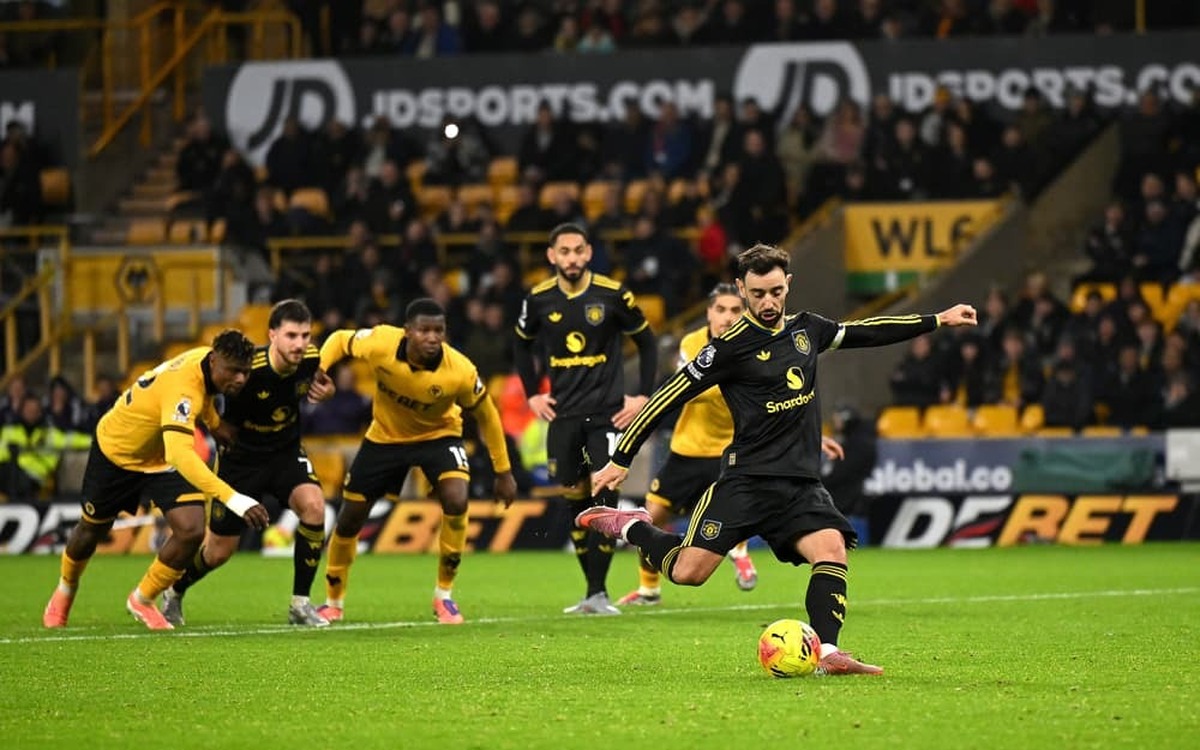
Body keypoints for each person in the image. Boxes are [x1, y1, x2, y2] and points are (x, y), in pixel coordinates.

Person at [580, 243, 977, 674]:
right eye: (757, 294)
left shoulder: (808, 330)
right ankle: (633, 525)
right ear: (741, 289)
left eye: (775, 292)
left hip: (800, 484)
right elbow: (666, 397)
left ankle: (828, 652)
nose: (768, 302)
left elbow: (866, 332)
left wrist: (937, 319)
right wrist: (621, 457)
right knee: (689, 573)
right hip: (746, 482)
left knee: (831, 548)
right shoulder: (727, 348)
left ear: (787, 284)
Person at [42, 331, 267, 630]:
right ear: (214, 361)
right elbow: (180, 454)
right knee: (91, 531)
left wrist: (213, 423)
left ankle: (143, 598)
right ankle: (65, 590)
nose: (240, 379)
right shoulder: (183, 389)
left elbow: (205, 394)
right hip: (118, 453)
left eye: (245, 372)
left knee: (191, 530)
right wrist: (233, 498)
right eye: (234, 371)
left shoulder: (204, 361)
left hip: (159, 457)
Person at [317, 298, 517, 624]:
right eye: (424, 330)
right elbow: (340, 339)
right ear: (407, 331)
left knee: (457, 499)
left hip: (439, 436)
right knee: (350, 518)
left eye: (439, 330)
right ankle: (333, 602)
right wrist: (319, 368)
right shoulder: (381, 342)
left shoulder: (460, 371)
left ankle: (444, 596)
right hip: (385, 438)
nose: (432, 337)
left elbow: (488, 416)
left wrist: (503, 471)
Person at [160, 301, 336, 628]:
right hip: (241, 460)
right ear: (272, 335)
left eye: (305, 335)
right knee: (218, 552)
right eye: (291, 335)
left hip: (285, 454)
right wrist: (214, 426)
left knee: (314, 507)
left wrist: (328, 391)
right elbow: (205, 393)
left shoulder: (311, 359)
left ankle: (300, 604)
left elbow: (321, 381)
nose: (299, 344)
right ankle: (174, 590)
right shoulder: (247, 369)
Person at [513, 222, 659, 615]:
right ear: (552, 255)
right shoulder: (538, 299)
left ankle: (598, 593)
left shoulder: (612, 294)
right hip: (563, 416)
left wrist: (643, 395)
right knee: (574, 501)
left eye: (579, 250)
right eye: (565, 251)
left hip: (607, 414)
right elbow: (521, 345)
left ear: (589, 253)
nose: (572, 258)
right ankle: (592, 592)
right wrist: (532, 393)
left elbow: (647, 342)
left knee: (604, 497)